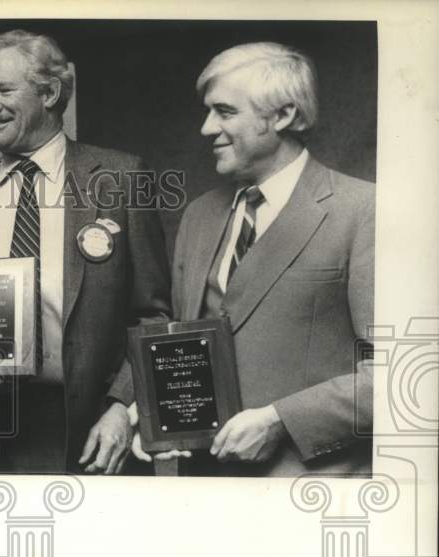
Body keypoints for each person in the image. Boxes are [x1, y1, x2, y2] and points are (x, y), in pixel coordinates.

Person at [0, 29, 172, 474]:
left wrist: (123, 407)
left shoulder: (121, 178)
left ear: (50, 94)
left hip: (94, 428)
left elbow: (153, 315)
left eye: (3, 90)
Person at [136, 42, 374, 476]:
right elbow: (184, 347)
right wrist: (152, 415)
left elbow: (402, 377)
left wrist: (280, 420)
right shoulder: (199, 215)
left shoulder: (364, 211)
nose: (206, 128)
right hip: (203, 487)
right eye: (208, 112)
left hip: (311, 488)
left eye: (225, 112)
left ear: (282, 115)